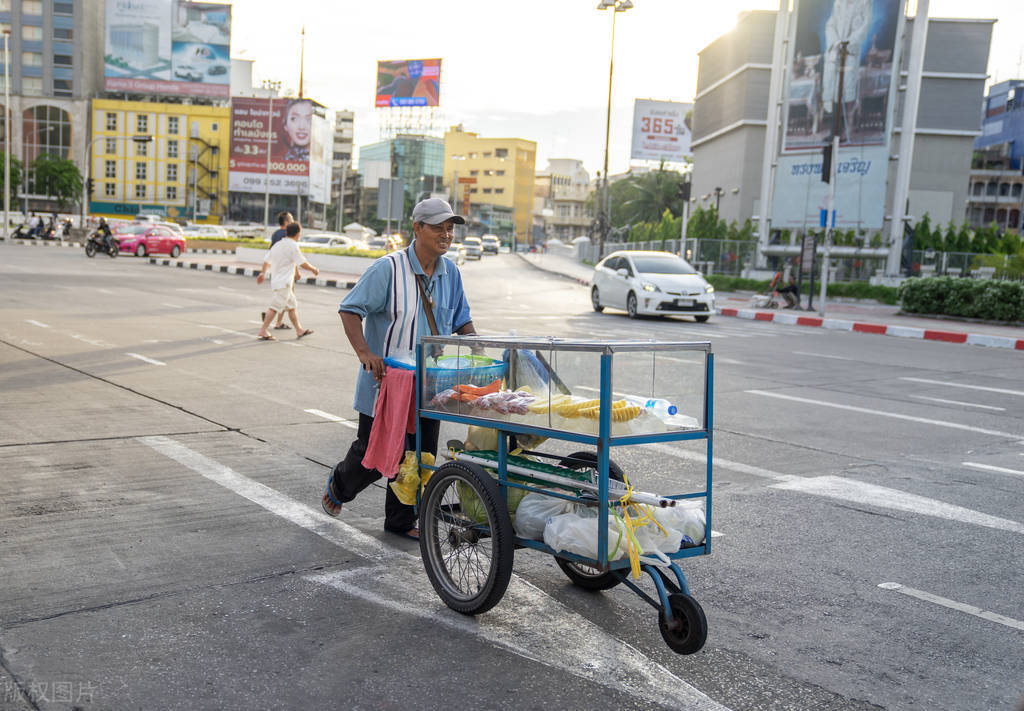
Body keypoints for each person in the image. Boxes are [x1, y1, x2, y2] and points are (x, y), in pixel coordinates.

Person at [321, 198, 477, 540]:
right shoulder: (387, 269)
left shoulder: (451, 273)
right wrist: (365, 353)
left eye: (450, 228)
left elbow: (462, 319)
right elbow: (350, 310)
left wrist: (477, 346)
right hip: (385, 384)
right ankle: (340, 485)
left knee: (419, 455)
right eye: (438, 227)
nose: (446, 234)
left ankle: (401, 519)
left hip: (430, 384)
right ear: (417, 228)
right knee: (374, 455)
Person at [255, 221, 319, 340]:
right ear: (298, 234)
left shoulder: (277, 245)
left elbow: (266, 261)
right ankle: (263, 330)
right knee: (274, 307)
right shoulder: (293, 245)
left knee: (292, 306)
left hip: (278, 281)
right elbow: (302, 262)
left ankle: (299, 330)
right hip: (284, 283)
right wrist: (313, 269)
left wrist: (263, 273)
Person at [265, 211, 296, 330]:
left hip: (276, 270)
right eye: (291, 219)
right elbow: (292, 256)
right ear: (287, 222)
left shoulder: (275, 234)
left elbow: (271, 252)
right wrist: (296, 272)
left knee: (284, 297)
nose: (293, 221)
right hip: (286, 273)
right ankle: (274, 320)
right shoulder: (288, 235)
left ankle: (282, 322)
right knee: (284, 297)